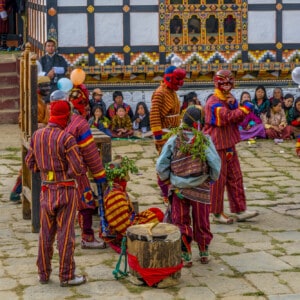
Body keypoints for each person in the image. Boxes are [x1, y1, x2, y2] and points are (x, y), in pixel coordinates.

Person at [25, 99, 87, 287]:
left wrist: (46, 172)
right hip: (66, 191)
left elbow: (30, 162)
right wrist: (64, 173)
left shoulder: (37, 135)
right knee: (66, 234)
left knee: (45, 233)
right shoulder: (66, 138)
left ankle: (43, 273)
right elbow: (78, 168)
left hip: (46, 190)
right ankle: (66, 275)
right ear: (66, 116)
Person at [156, 106, 221, 267]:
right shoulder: (204, 140)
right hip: (200, 186)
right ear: (198, 123)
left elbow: (161, 164)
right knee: (202, 220)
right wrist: (211, 179)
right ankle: (204, 252)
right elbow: (215, 163)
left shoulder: (174, 139)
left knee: (180, 220)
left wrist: (167, 179)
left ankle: (186, 254)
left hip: (179, 189)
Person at [204, 70, 259, 224]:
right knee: (218, 179)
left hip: (229, 143)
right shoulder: (213, 103)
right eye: (224, 83)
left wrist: (236, 105)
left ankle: (240, 209)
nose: (227, 86)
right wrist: (245, 108)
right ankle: (216, 213)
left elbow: (233, 112)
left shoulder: (227, 99)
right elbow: (228, 117)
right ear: (218, 83)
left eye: (230, 82)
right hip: (217, 145)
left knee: (235, 176)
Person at [66, 85, 107, 249]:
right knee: (86, 201)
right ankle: (87, 237)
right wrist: (99, 174)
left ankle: (63, 238)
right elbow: (90, 153)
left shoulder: (56, 120)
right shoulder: (80, 124)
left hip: (56, 173)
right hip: (76, 170)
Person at [101, 156, 164, 251]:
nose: (127, 178)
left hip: (130, 221)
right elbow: (123, 227)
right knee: (157, 216)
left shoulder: (118, 189)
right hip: (123, 233)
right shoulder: (115, 196)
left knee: (155, 212)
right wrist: (136, 230)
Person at [9, 75, 51, 202]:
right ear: (37, 88)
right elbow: (24, 121)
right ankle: (16, 192)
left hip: (41, 138)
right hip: (35, 139)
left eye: (48, 86)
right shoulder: (33, 102)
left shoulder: (41, 101)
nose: (47, 89)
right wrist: (40, 125)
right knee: (29, 165)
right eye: (44, 87)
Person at [150, 65, 186, 204]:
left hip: (174, 133)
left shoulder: (172, 92)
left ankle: (172, 188)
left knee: (175, 163)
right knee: (164, 164)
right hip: (164, 134)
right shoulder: (159, 93)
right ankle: (165, 192)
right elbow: (154, 116)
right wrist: (158, 137)